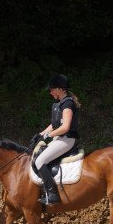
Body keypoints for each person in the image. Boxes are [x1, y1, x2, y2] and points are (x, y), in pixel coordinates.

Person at [32, 74, 81, 205]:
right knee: (37, 152)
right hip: (59, 138)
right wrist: (40, 134)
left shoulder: (68, 104)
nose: (50, 92)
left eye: (52, 89)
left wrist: (49, 135)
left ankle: (53, 195)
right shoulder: (57, 104)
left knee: (40, 161)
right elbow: (54, 125)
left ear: (61, 89)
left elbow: (65, 127)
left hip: (67, 139)